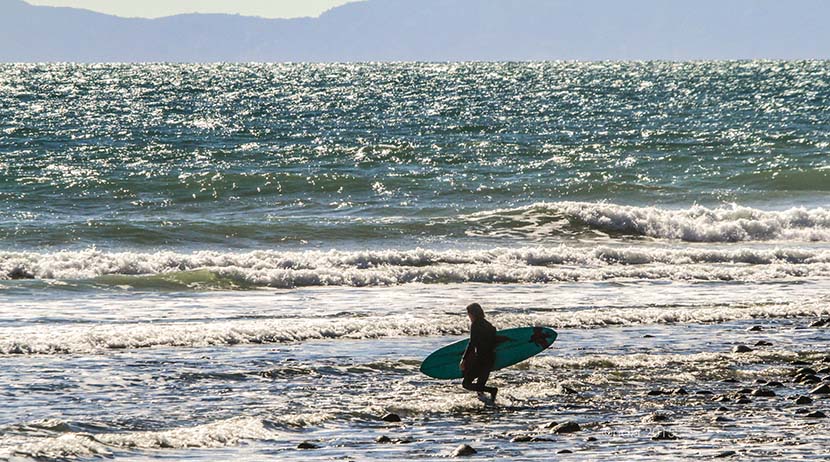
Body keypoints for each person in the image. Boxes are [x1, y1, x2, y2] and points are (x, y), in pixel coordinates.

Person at [459, 302, 498, 402]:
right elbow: (494, 339)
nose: (469, 316)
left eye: (469, 314)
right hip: (491, 359)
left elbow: (472, 343)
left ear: (472, 314)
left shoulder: (475, 325)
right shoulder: (488, 325)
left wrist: (464, 359)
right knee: (480, 388)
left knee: (466, 384)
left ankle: (492, 391)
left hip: (481, 360)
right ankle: (490, 405)